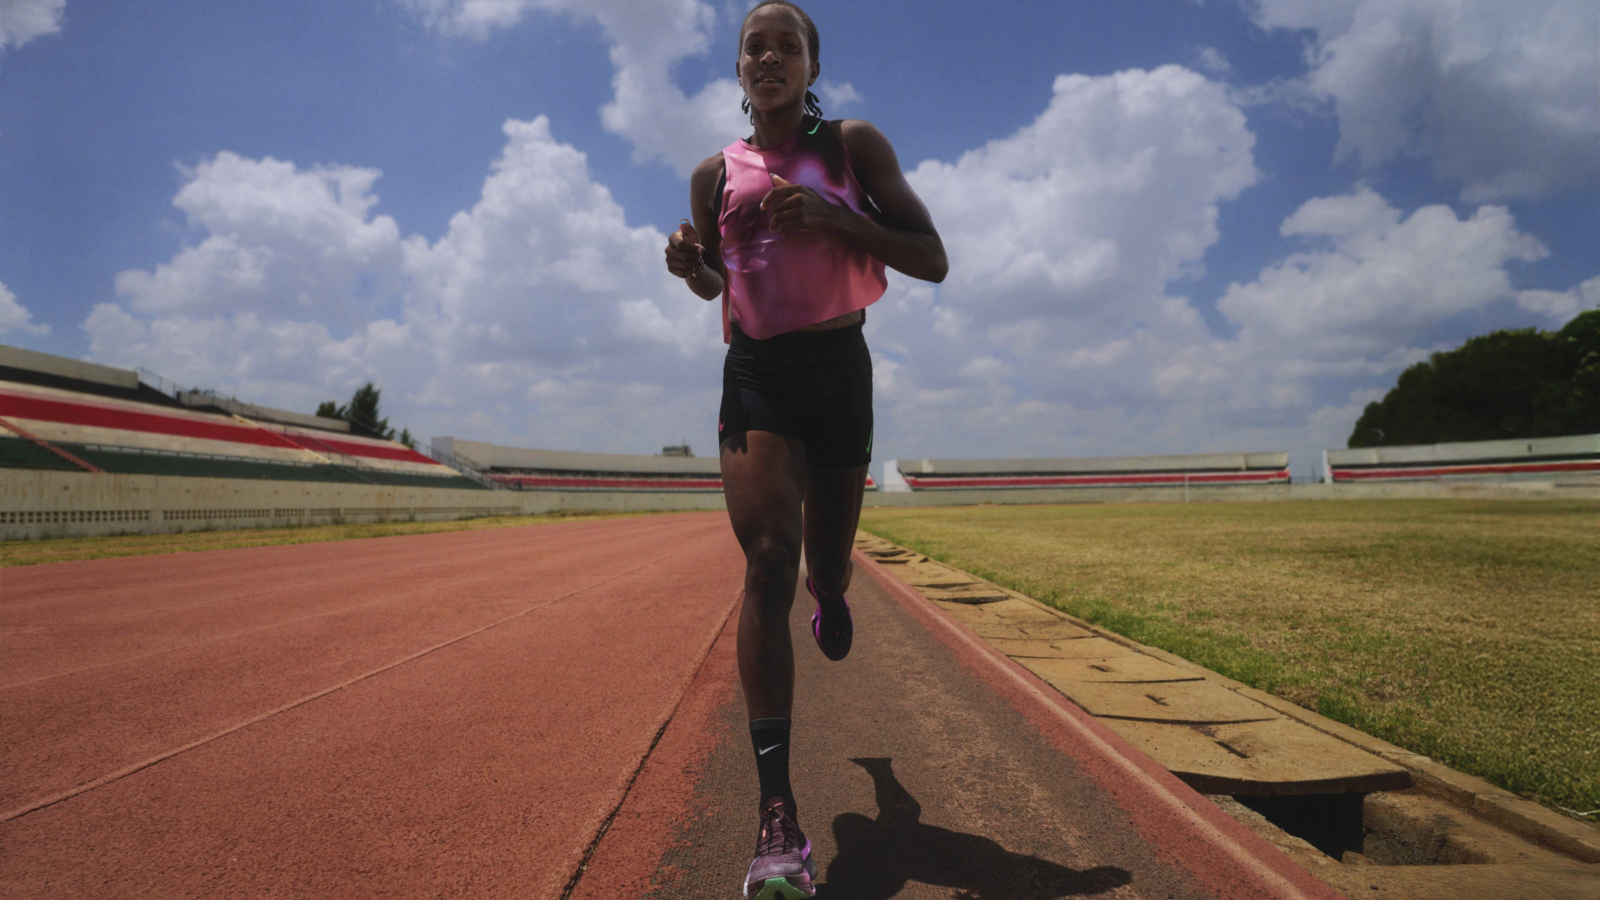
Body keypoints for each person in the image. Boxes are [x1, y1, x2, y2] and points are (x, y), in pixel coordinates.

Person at [664, 2, 946, 897]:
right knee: (767, 558)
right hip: (757, 372)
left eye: (788, 44)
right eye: (756, 45)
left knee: (826, 564)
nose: (771, 56)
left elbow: (932, 257)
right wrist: (689, 266)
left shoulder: (853, 146)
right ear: (739, 70)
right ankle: (776, 818)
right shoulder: (714, 175)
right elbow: (720, 274)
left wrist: (837, 218)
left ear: (810, 64)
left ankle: (832, 589)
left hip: (838, 369)